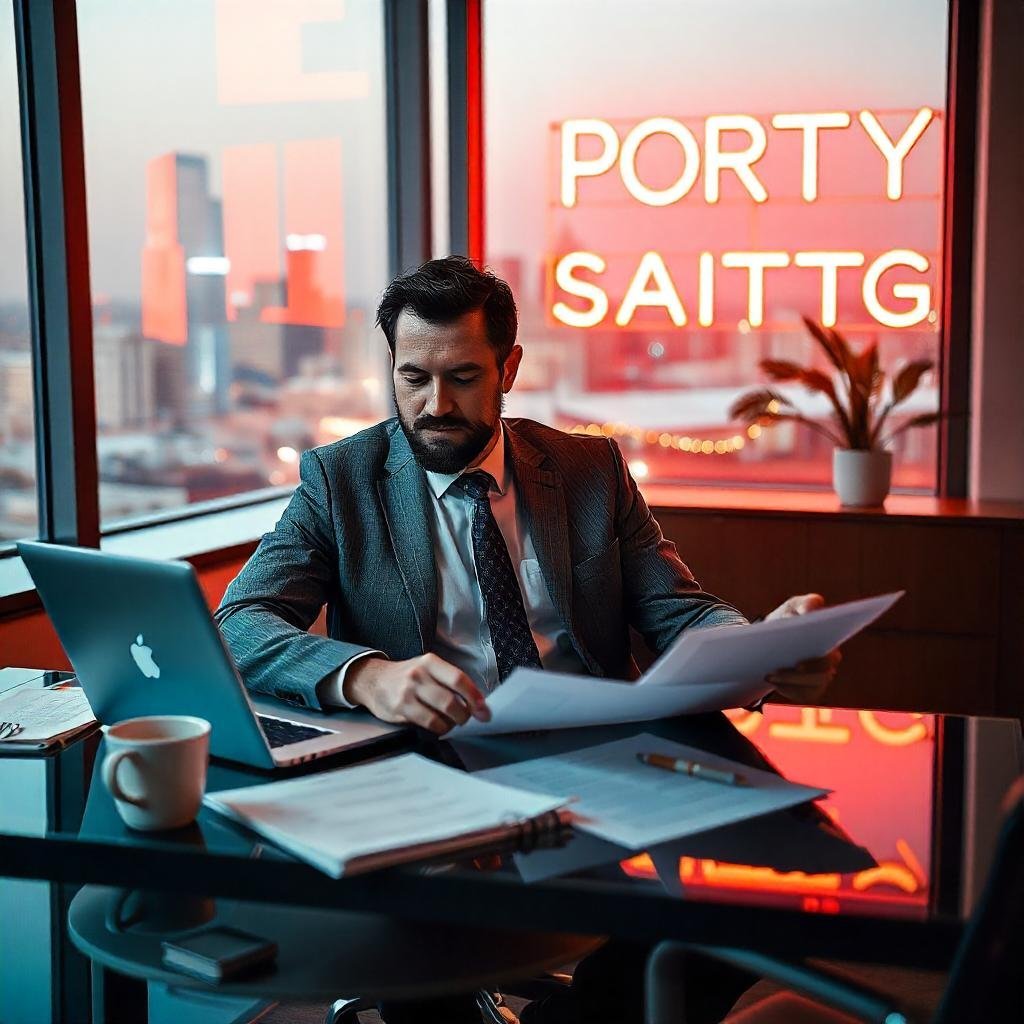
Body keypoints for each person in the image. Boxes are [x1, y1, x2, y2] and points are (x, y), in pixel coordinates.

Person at [215, 256, 840, 1023]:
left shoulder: (590, 469)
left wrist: (762, 646)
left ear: (509, 367)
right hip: (432, 775)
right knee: (427, 966)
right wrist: (368, 675)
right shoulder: (341, 480)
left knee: (731, 922)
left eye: (463, 377)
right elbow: (240, 624)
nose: (434, 404)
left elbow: (679, 610)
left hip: (597, 762)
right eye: (412, 377)